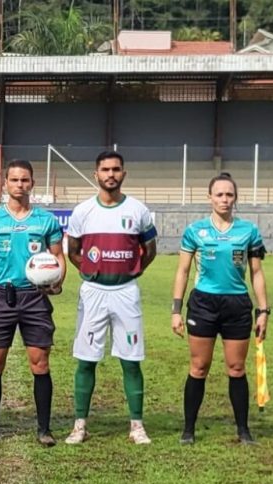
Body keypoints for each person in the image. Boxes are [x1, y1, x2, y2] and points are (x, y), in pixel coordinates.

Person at [0, 159, 66, 447]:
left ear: (32, 183)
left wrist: (57, 281)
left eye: (25, 180)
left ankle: (44, 429)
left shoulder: (46, 220)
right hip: (2, 296)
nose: (19, 185)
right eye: (14, 180)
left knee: (40, 363)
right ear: (5, 184)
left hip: (35, 298)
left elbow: (59, 256)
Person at [65, 150, 157, 445]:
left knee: (131, 360)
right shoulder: (82, 212)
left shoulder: (138, 210)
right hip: (93, 292)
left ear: (124, 174)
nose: (111, 175)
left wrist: (132, 270)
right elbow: (73, 251)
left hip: (126, 292)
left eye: (116, 169)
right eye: (105, 170)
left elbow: (150, 249)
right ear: (96, 175)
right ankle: (80, 425)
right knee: (86, 359)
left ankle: (137, 425)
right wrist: (91, 271)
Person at [171, 172, 269, 445]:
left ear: (235, 198)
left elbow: (257, 273)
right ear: (209, 197)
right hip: (203, 303)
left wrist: (263, 311)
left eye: (229, 194)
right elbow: (182, 270)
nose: (225, 199)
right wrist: (176, 310)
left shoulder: (248, 231)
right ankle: (188, 430)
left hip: (237, 305)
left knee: (237, 368)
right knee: (199, 367)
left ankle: (243, 430)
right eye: (219, 194)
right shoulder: (195, 231)